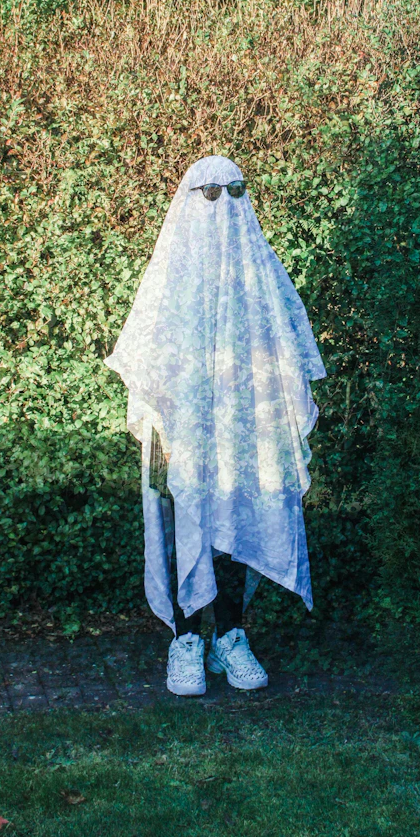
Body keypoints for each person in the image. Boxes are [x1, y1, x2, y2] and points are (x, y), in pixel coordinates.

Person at [104, 155, 326, 696]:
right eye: (209, 193)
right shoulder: (168, 275)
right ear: (188, 199)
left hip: (240, 435)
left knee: (232, 524)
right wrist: (166, 425)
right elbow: (147, 357)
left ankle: (230, 635)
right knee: (185, 520)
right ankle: (185, 641)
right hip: (178, 434)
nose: (223, 203)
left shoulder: (260, 272)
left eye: (235, 190)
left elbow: (285, 350)